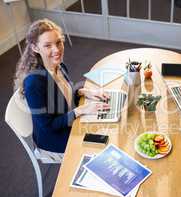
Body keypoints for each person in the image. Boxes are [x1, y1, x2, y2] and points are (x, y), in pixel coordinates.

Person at [14, 19, 110, 157]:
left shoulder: (59, 66)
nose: (57, 50)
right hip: (54, 138)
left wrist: (84, 92)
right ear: (35, 48)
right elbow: (48, 127)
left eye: (58, 42)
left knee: (108, 127)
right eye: (48, 45)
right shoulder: (34, 83)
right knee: (103, 146)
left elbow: (64, 97)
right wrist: (81, 110)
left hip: (68, 122)